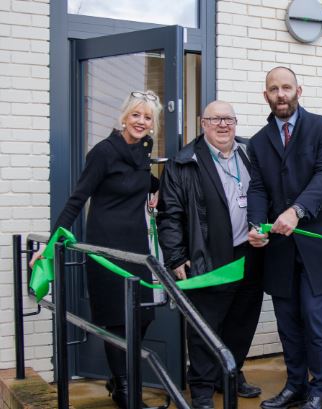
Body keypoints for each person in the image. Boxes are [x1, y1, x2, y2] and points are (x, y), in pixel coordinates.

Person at [30, 91, 162, 408]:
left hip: (136, 248)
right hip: (106, 248)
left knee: (143, 317)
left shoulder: (144, 152)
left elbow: (139, 180)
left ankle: (119, 380)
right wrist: (49, 246)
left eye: (147, 117)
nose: (141, 122)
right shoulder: (103, 152)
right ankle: (126, 389)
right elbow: (77, 199)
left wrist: (158, 189)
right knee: (117, 320)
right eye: (136, 115)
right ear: (124, 117)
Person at [247, 67, 322, 409]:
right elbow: (256, 188)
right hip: (280, 248)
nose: (281, 94)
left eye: (286, 87)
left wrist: (296, 211)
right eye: (273, 89)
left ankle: (319, 390)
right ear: (265, 95)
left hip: (319, 246)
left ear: (299, 89)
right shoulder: (257, 141)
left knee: (315, 318)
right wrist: (255, 223)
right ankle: (295, 386)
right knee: (287, 322)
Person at [156, 101, 264, 409]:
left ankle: (229, 373)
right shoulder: (184, 161)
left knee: (242, 321)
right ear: (203, 123)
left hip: (250, 254)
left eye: (228, 119)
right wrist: (175, 257)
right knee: (206, 324)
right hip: (209, 257)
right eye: (215, 119)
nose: (223, 125)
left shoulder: (249, 153)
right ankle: (202, 387)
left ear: (236, 122)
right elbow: (170, 215)